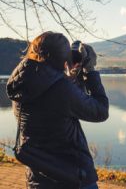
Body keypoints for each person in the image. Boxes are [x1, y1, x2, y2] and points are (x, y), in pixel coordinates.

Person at [6, 31, 109, 189]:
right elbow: (100, 111)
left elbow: (54, 106)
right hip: (74, 178)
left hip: (38, 178)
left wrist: (73, 79)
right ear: (64, 59)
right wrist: (90, 71)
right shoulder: (62, 90)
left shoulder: (21, 86)